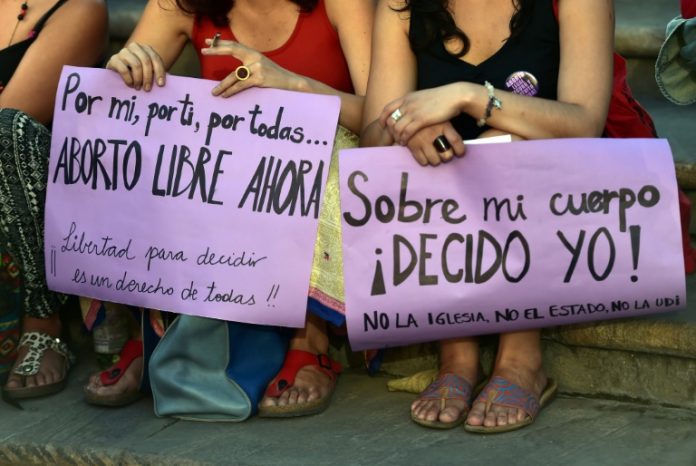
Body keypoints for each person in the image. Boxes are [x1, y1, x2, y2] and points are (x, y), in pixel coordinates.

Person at [83, 0, 373, 415]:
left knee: (323, 160)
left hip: (314, 168)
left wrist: (292, 85)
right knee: (126, 150)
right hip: (222, 177)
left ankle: (310, 340)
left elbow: (383, 118)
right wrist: (123, 71)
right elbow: (108, 110)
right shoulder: (182, 3)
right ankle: (152, 332)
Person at [361, 0, 615, 432]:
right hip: (449, 199)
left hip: (564, 192)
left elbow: (585, 122)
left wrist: (470, 96)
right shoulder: (400, 4)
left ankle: (521, 357)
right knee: (421, 149)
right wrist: (411, 125)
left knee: (509, 140)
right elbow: (371, 140)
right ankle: (457, 354)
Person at [0, 0, 108, 401]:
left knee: (7, 131)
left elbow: (10, 114)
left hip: (29, 200)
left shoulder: (79, 9)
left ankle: (41, 322)